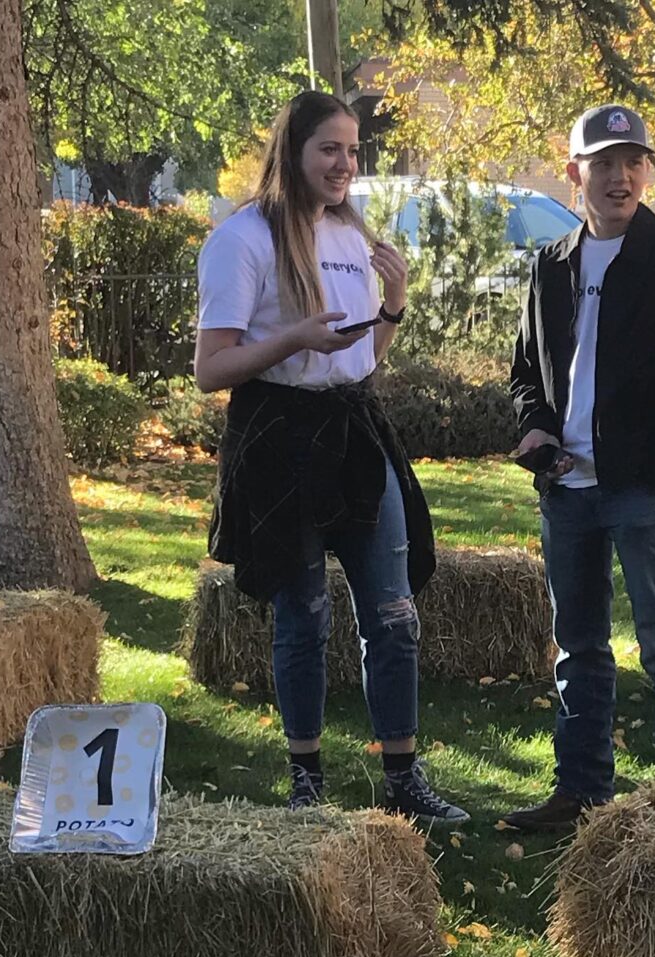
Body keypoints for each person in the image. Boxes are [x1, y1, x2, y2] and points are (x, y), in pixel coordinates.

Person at [194, 90, 468, 824]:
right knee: (304, 618)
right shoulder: (243, 239)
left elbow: (360, 360)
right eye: (330, 149)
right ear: (294, 151)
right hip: (280, 441)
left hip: (354, 432)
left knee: (395, 613)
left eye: (352, 150)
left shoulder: (351, 234)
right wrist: (293, 339)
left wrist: (394, 304)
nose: (346, 164)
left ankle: (404, 778)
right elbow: (211, 370)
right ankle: (307, 778)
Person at [503, 105, 655, 830]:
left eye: (633, 162)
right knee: (578, 649)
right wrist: (537, 429)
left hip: (642, 490)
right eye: (603, 163)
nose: (620, 177)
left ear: (647, 172)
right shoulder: (551, 262)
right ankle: (580, 793)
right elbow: (526, 372)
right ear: (574, 173)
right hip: (565, 489)